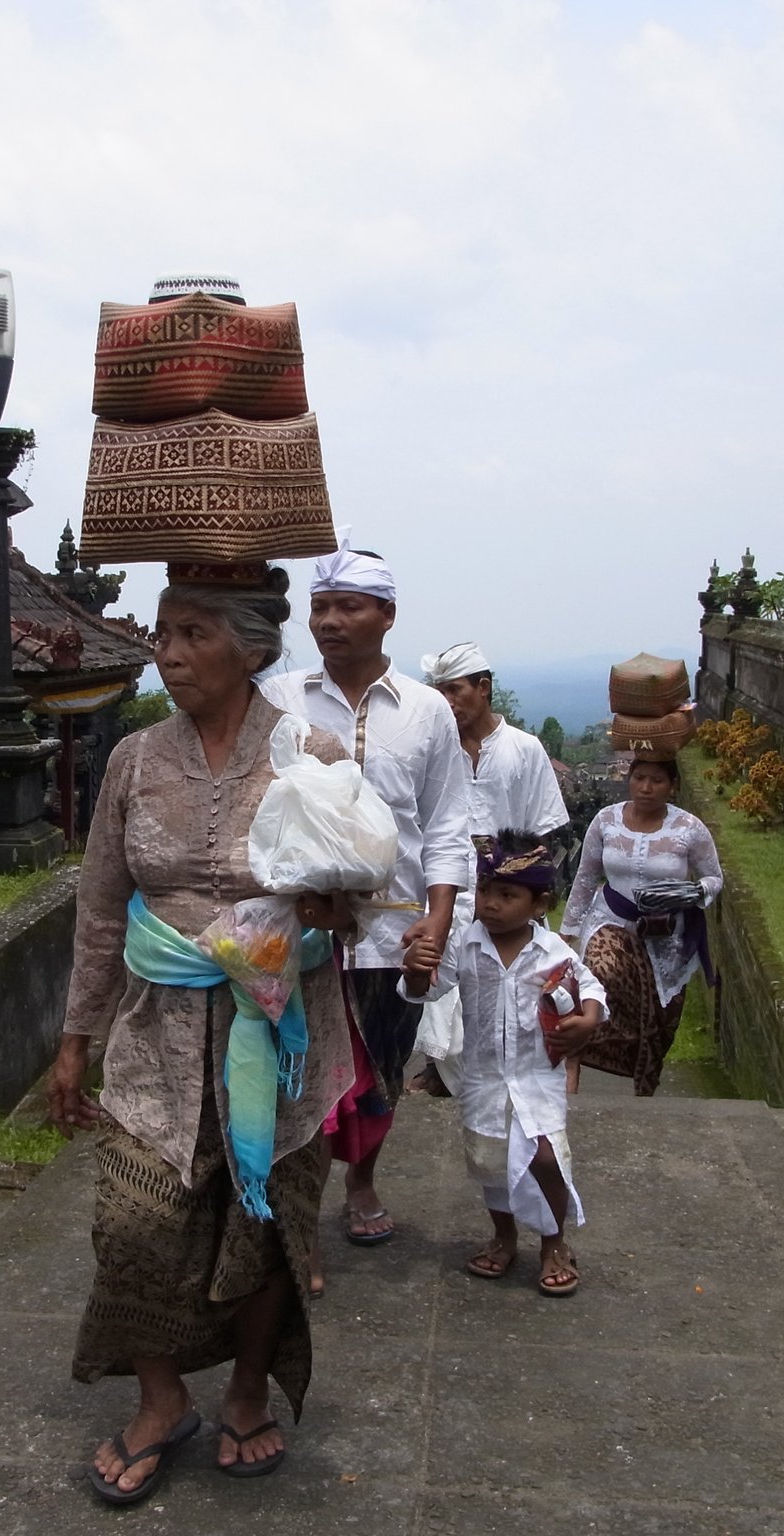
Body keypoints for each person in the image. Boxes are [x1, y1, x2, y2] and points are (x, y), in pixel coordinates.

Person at [49, 563, 357, 1503]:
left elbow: (354, 912)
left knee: (262, 1227)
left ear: (253, 647)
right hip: (157, 1035)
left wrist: (326, 903)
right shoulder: (136, 763)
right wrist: (75, 1040)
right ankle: (158, 1397)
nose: (168, 653)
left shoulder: (315, 754)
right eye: (163, 632)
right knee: (134, 1222)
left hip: (281, 1034)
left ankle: (251, 1390)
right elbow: (102, 907)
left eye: (193, 635)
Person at [261, 534, 470, 1267]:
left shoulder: (427, 713)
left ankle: (364, 1182)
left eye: (348, 607)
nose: (328, 621)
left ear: (386, 616)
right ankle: (301, 1209)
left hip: (393, 932)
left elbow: (446, 827)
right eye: (319, 607)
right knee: (303, 1073)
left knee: (381, 1068)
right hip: (302, 927)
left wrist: (435, 924)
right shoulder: (279, 699)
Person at [403, 832, 605, 1297]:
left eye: (507, 895)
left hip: (537, 1078)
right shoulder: (466, 946)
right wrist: (415, 969)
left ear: (539, 903)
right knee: (490, 1162)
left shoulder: (552, 950)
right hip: (485, 1079)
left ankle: (554, 1242)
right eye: (487, 891)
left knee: (547, 1158)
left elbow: (590, 987)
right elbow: (426, 990)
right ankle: (504, 1235)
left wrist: (588, 1018)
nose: (491, 904)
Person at [411, 642, 572, 1099]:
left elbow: (543, 828)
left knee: (502, 989)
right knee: (440, 982)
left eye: (454, 690)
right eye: (438, 691)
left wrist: (531, 896)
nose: (446, 701)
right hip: (443, 888)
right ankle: (439, 1072)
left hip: (506, 893)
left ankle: (500, 1080)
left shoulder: (524, 749)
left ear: (484, 689)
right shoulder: (432, 750)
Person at [560, 753, 723, 1095]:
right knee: (602, 972)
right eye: (640, 778)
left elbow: (714, 878)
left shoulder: (689, 830)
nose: (646, 788)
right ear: (629, 779)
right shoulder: (606, 821)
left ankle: (643, 1080)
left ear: (673, 786)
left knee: (660, 1020)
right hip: (610, 920)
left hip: (666, 936)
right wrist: (568, 931)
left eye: (657, 781)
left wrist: (692, 892)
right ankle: (573, 1064)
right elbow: (586, 877)